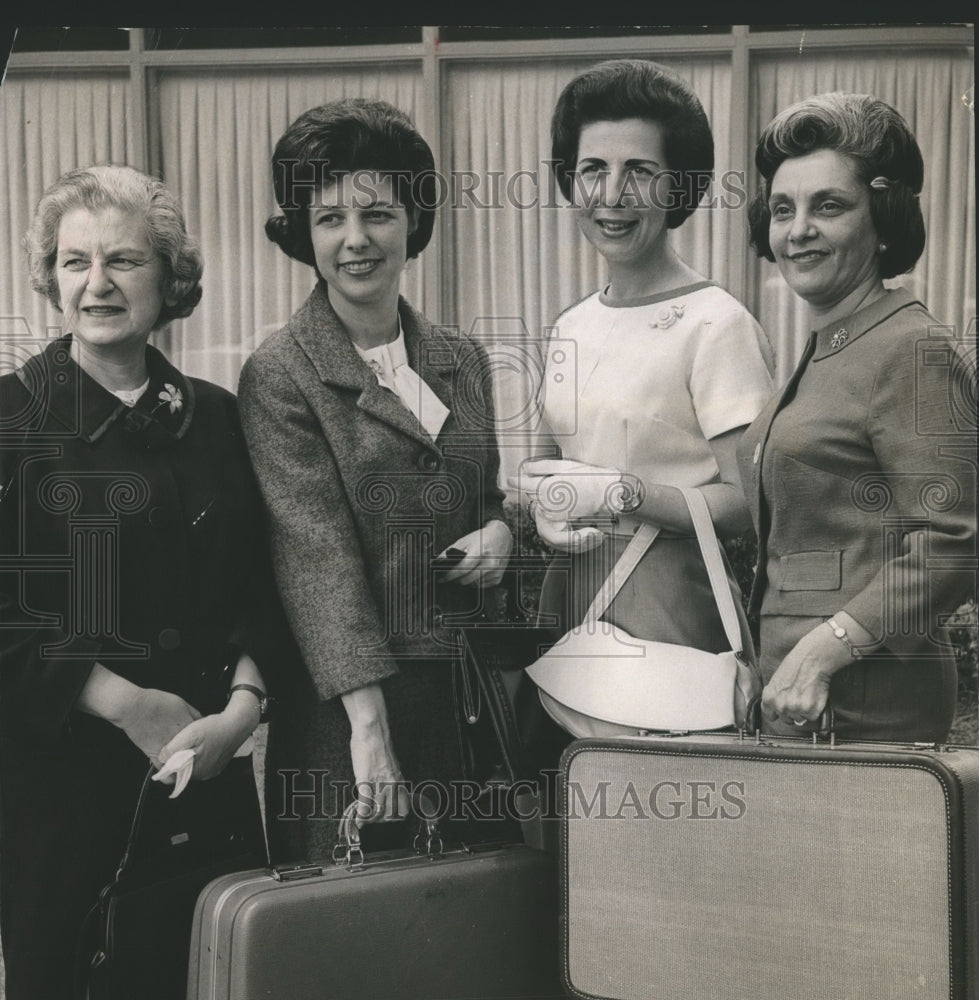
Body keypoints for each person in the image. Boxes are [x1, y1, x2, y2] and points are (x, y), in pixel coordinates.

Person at [0, 165, 274, 999]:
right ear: (50, 277)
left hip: (212, 780)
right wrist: (127, 704)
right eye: (76, 261)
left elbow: (262, 586)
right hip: (63, 797)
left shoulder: (220, 417)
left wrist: (243, 711)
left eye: (124, 260)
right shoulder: (12, 418)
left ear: (170, 278)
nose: (98, 283)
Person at [239, 98, 512, 858]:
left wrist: (500, 531)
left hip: (462, 703)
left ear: (412, 220)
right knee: (352, 945)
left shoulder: (462, 358)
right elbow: (313, 559)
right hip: (349, 717)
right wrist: (367, 731)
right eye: (328, 219)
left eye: (376, 214)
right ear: (304, 233)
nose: (355, 241)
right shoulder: (280, 373)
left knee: (465, 936)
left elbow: (487, 496)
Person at [514, 60, 773, 733]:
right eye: (592, 168)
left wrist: (623, 492)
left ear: (677, 185)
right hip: (567, 609)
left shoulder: (716, 324)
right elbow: (549, 467)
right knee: (559, 826)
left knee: (652, 824)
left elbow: (748, 500)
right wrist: (532, 500)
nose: (612, 194)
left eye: (640, 171)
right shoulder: (570, 324)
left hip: (663, 620)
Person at [740, 92, 976, 740]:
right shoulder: (831, 344)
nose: (797, 231)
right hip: (799, 699)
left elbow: (955, 541)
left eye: (828, 206)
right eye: (782, 210)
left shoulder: (911, 348)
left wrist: (822, 650)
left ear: (882, 220)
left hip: (865, 706)